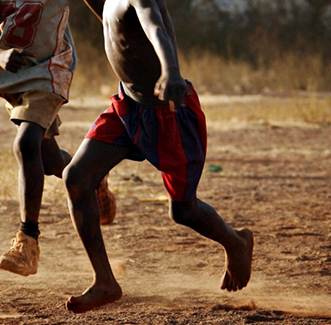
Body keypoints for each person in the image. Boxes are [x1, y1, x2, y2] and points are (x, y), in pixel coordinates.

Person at [63, 0, 254, 313]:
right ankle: (105, 282)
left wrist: (171, 71)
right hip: (127, 108)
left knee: (183, 210)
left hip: (167, 112)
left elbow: (155, 27)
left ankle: (236, 242)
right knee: (77, 177)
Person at [0, 0, 113, 276]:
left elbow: (106, 9)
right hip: (12, 74)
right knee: (47, 160)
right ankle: (92, 176)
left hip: (51, 68)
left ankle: (28, 241)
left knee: (25, 144)